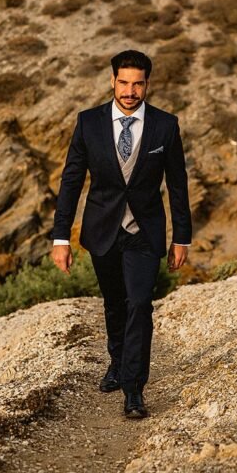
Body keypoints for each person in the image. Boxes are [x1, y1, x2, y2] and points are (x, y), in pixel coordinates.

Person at [50, 49, 191, 419]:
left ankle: (134, 388)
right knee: (115, 303)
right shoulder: (88, 122)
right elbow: (71, 181)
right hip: (103, 229)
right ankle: (116, 362)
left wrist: (182, 237)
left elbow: (178, 184)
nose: (130, 91)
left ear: (147, 84)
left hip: (145, 231)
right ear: (112, 81)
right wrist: (60, 238)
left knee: (140, 304)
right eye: (124, 82)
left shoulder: (165, 125)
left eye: (138, 83)